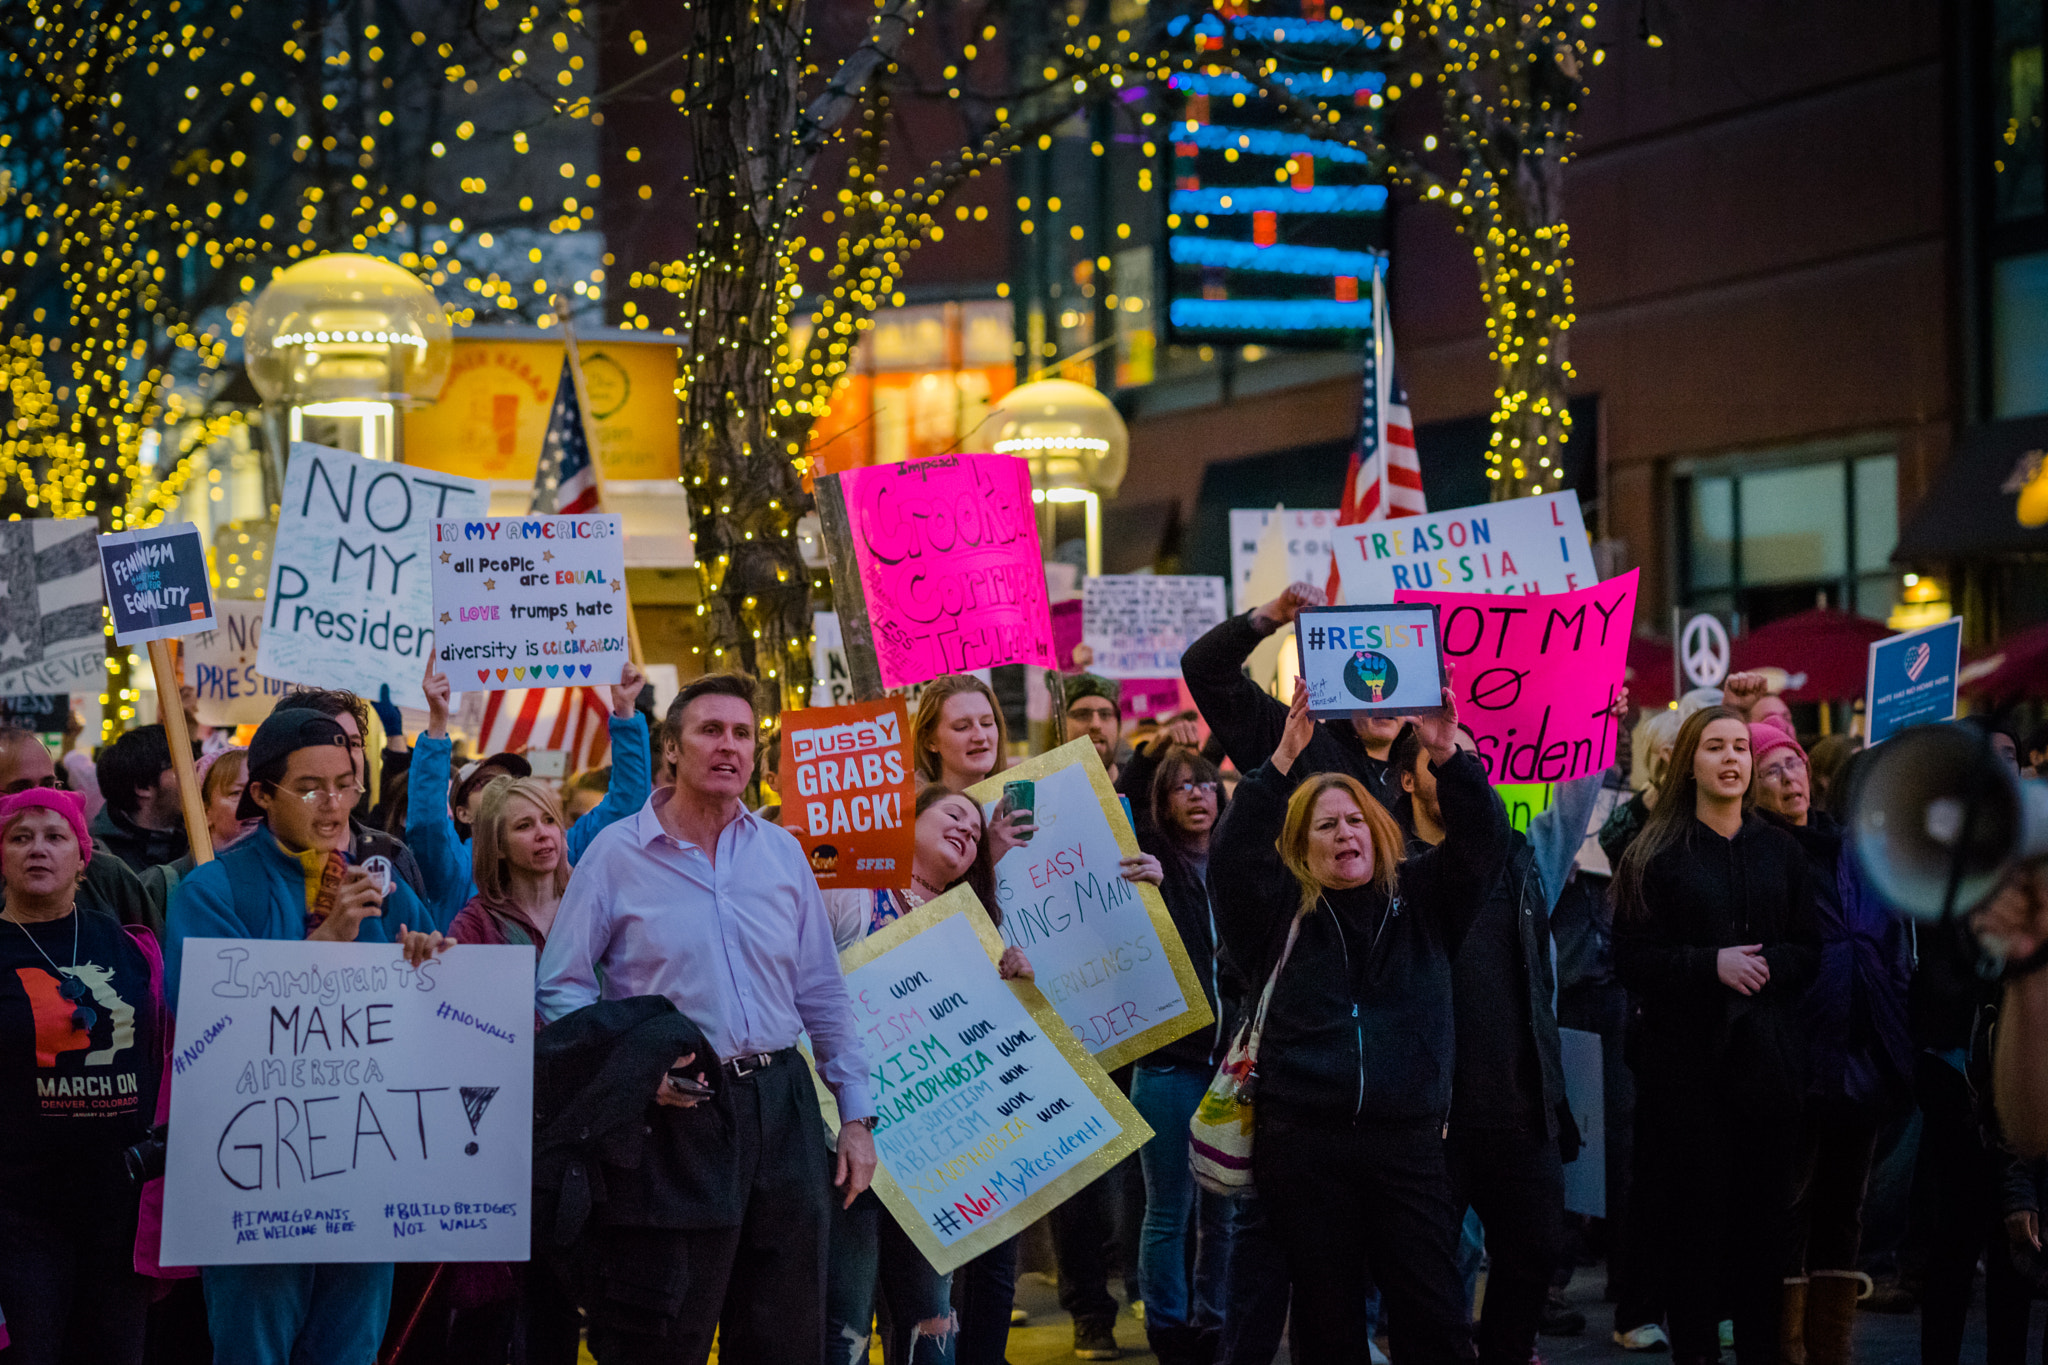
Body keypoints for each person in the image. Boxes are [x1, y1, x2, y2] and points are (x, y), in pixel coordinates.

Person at [534, 672, 877, 1361]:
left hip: (783, 1107)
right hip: (677, 1114)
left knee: (785, 1330)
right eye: (710, 730)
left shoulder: (781, 852)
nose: (729, 746)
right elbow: (561, 986)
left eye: (743, 733)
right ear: (673, 749)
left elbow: (823, 993)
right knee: (665, 1330)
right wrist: (632, 1074)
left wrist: (856, 1117)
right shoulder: (616, 856)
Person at [1208, 675, 1506, 1365]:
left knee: (1435, 1318)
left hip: (1406, 1145)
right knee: (1328, 1322)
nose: (1344, 832)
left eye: (1353, 821)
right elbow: (1230, 861)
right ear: (1302, 845)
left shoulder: (1427, 900)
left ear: (1377, 831)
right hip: (1304, 1146)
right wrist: (1281, 759)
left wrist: (1449, 753)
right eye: (1325, 824)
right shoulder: (1277, 914)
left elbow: (1484, 842)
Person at [164, 708, 451, 1365]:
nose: (335, 804)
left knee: (351, 1349)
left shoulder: (382, 884)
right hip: (255, 1172)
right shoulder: (211, 890)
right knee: (253, 1350)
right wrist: (321, 946)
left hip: (363, 1168)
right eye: (312, 787)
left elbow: (426, 1007)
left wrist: (429, 959)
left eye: (346, 784)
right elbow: (207, 1020)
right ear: (262, 795)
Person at [1392, 703, 1618, 1365]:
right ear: (1408, 780)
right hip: (1432, 1113)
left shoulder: (1520, 857)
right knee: (1431, 1272)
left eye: (1467, 755)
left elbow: (1573, 808)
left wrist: (1597, 720)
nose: (1461, 765)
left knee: (1537, 1250)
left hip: (1519, 1103)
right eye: (1440, 754)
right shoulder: (1390, 867)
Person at [1613, 706, 1820, 1365]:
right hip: (1686, 1079)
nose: (1731, 757)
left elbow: (1810, 948)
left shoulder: (1782, 850)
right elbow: (1631, 960)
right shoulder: (1657, 853)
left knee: (1762, 1241)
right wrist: (1711, 964)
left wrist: (1764, 965)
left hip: (1766, 1077)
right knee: (1694, 1242)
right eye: (1714, 747)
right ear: (1689, 764)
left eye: (1740, 746)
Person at [819, 785, 1035, 1365]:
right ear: (906, 820)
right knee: (845, 1319)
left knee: (931, 1317)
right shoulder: (856, 896)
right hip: (847, 1139)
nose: (967, 829)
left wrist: (1017, 979)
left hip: (934, 1156)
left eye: (973, 830)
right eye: (952, 814)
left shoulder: (976, 926)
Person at [1746, 722, 1910, 1365]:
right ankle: (1786, 1348)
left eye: (1795, 765)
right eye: (1773, 771)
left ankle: (1829, 1348)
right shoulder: (1759, 852)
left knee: (1845, 1208)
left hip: (1861, 1053)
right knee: (1790, 1207)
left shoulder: (1853, 847)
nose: (1790, 779)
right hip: (1796, 1055)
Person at [0, 787, 164, 1365]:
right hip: (20, 1212)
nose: (37, 850)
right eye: (19, 838)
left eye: (54, 837)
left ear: (83, 855)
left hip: (118, 1208)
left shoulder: (127, 945)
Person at [1125, 746, 1240, 1365]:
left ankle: (1213, 1322)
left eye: (1206, 784)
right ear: (1162, 803)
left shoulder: (1233, 866)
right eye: (1182, 787)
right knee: (1168, 1212)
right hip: (1168, 1068)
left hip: (1229, 1072)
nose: (1198, 795)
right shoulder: (1146, 865)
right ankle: (1169, 1331)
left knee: (1221, 1215)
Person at [409, 658, 650, 925]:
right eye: (484, 783)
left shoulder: (559, 848)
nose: (501, 788)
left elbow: (626, 805)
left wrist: (625, 711)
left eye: (510, 780)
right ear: (463, 814)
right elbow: (427, 826)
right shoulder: (454, 869)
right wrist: (437, 723)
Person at [1181, 581, 1406, 810]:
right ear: (1344, 680)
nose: (1382, 697)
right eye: (1367, 680)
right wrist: (1274, 614)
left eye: (1394, 683)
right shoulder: (1299, 742)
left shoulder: (1429, 762)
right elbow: (1204, 668)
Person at [271, 689, 428, 902]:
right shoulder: (245, 875)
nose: (347, 757)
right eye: (333, 742)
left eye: (354, 744)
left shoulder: (395, 857)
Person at [0, 728, 155, 936]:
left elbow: (158, 958)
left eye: (49, 786)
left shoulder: (106, 875)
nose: (41, 800)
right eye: (21, 790)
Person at [139, 748, 252, 926]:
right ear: (204, 811)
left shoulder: (283, 880)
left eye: (259, 794)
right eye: (236, 793)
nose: (253, 806)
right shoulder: (164, 884)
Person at [90, 723, 187, 872]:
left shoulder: (198, 840)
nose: (193, 777)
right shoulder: (98, 860)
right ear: (143, 786)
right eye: (179, 767)